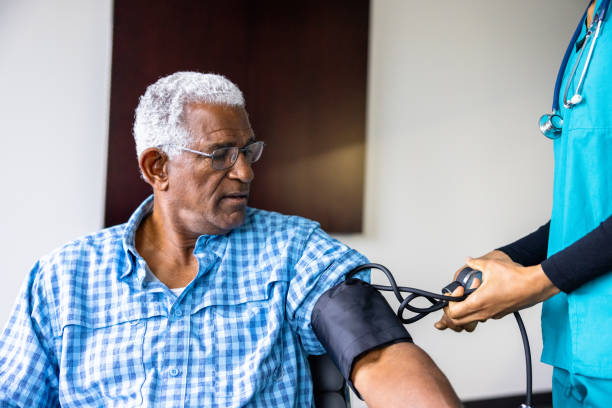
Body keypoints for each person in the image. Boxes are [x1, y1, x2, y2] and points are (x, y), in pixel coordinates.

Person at [0, 72, 460, 407]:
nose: (245, 171)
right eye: (221, 154)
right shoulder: (62, 278)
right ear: (157, 167)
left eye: (248, 151)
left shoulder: (292, 250)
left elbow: (376, 349)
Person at [436, 1, 612, 406]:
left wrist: (533, 283)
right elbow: (591, 209)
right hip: (576, 346)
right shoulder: (594, 26)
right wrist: (506, 259)